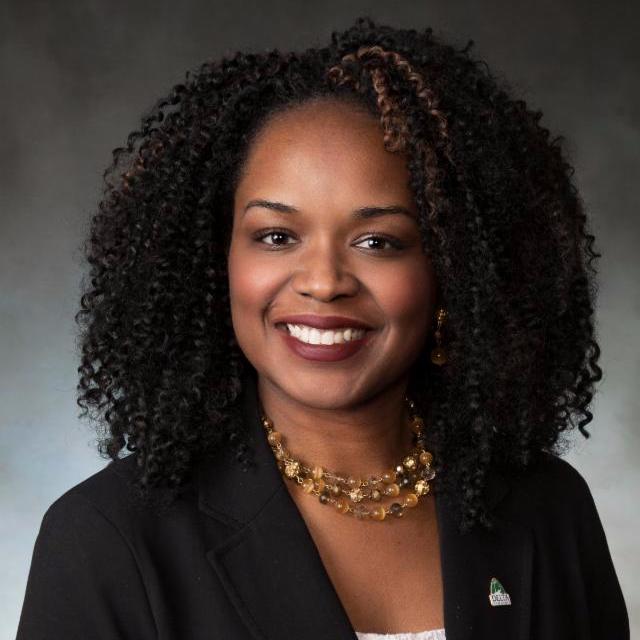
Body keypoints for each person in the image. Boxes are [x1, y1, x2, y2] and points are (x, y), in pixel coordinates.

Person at [16, 16, 629, 640]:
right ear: (216, 263)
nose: (324, 281)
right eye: (277, 236)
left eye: (378, 241)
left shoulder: (548, 510)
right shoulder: (107, 539)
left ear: (455, 269)